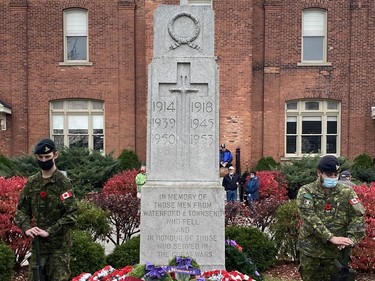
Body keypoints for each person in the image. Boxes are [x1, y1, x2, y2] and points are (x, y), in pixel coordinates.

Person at [15, 138, 78, 281]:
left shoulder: (63, 183)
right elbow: (21, 211)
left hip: (58, 250)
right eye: (40, 157)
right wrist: (26, 228)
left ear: (56, 155)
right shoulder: (32, 183)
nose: (44, 160)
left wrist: (49, 231)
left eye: (47, 157)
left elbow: (71, 215)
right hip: (38, 248)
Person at [296, 155, 366, 281]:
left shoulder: (347, 192)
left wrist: (350, 239)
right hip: (311, 252)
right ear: (319, 173)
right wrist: (331, 238)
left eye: (335, 174)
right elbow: (310, 219)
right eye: (329, 174)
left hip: (336, 254)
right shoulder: (306, 191)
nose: (333, 178)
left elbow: (358, 216)